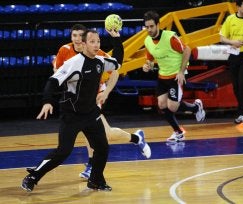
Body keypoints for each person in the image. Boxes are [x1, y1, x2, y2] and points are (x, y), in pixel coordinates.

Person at [21, 29, 125, 192]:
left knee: (103, 147)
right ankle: (33, 176)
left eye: (98, 41)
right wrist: (47, 101)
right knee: (63, 151)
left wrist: (117, 39)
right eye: (92, 41)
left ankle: (95, 180)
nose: (96, 44)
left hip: (91, 113)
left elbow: (118, 62)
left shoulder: (100, 61)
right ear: (83, 44)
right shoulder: (74, 63)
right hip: (72, 114)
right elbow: (52, 81)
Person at [52, 24, 151, 180]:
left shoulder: (96, 53)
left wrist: (106, 92)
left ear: (86, 40)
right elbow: (57, 74)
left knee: (90, 130)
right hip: (76, 99)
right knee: (108, 134)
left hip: (93, 96)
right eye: (74, 36)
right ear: (71, 37)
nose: (77, 39)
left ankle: (91, 165)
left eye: (80, 36)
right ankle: (137, 138)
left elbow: (116, 71)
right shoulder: (64, 50)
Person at [142, 11, 206, 143]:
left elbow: (187, 50)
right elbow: (150, 60)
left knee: (172, 107)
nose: (149, 30)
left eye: (151, 26)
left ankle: (196, 107)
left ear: (158, 25)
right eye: (147, 27)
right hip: (162, 76)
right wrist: (147, 66)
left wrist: (181, 71)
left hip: (176, 76)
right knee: (161, 104)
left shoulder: (170, 38)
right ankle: (178, 132)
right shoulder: (147, 41)